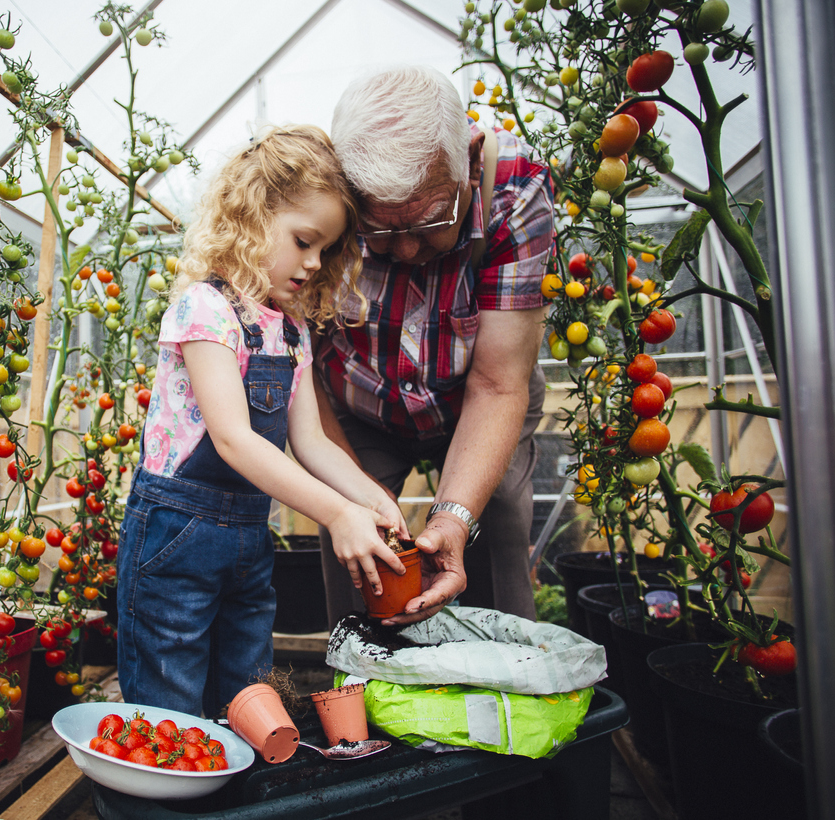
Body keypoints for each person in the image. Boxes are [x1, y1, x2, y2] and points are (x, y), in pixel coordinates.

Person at [117, 125, 409, 716]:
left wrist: (373, 500)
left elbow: (312, 442)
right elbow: (232, 439)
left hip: (248, 542)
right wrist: (335, 513)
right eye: (303, 240)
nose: (313, 263)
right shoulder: (206, 309)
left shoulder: (291, 329)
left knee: (247, 696)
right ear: (253, 215)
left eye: (325, 250)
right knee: (169, 699)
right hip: (177, 538)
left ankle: (234, 797)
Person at [314, 65, 555, 627]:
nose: (404, 250)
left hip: (478, 391)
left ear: (470, 159)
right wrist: (353, 500)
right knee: (356, 547)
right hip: (360, 402)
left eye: (427, 221)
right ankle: (361, 691)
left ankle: (501, 684)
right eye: (379, 229)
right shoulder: (318, 192)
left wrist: (452, 517)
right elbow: (301, 374)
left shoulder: (517, 190)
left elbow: (498, 385)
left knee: (496, 522)